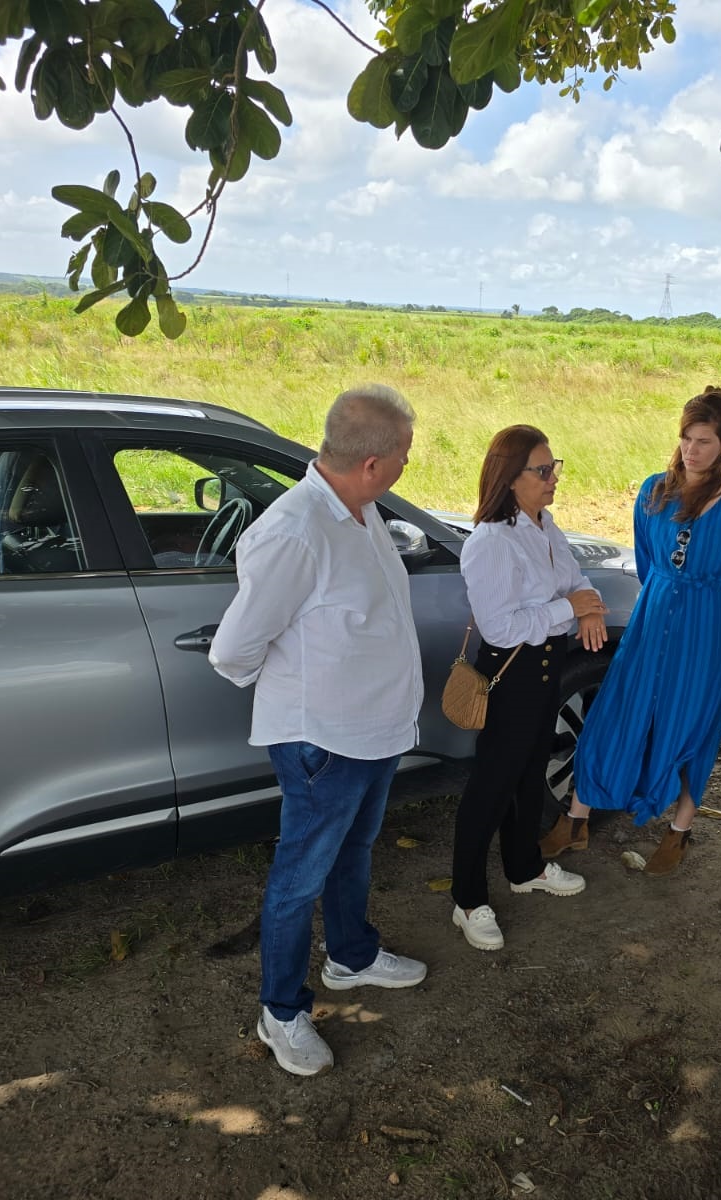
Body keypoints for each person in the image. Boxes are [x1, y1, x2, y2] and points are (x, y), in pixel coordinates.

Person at [209, 385, 429, 1078]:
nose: (404, 468)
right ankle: (280, 1011)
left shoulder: (356, 512)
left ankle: (351, 956)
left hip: (373, 730)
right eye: (402, 457)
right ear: (372, 463)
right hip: (324, 741)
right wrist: (305, 696)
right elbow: (235, 650)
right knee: (299, 877)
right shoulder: (297, 530)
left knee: (353, 852)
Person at [544, 385, 721, 875]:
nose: (692, 449)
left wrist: (697, 602)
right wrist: (670, 593)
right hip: (653, 616)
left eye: (704, 440)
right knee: (617, 713)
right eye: (687, 438)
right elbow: (647, 562)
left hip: (708, 631)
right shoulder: (653, 491)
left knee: (691, 726)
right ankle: (575, 821)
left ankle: (678, 832)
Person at [449, 426, 606, 951]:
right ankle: (467, 900)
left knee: (527, 777)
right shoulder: (492, 541)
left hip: (546, 669)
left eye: (553, 466)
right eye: (542, 470)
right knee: (490, 789)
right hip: (510, 674)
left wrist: (587, 605)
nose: (553, 477)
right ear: (511, 478)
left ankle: (525, 868)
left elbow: (574, 577)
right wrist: (569, 610)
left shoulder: (545, 525)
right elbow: (501, 627)